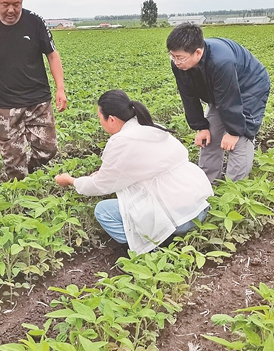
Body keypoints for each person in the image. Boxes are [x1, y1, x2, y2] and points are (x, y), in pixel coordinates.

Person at [55, 90, 213, 254]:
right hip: (198, 209)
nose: (99, 122)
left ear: (112, 119)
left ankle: (150, 247)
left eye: (99, 117)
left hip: (177, 220)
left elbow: (100, 186)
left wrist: (71, 180)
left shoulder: (121, 141)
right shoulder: (151, 127)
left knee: (103, 211)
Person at [0, 0, 68, 180]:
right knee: (13, 163)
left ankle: (30, 173)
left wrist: (60, 88)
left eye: (16, 4)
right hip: (6, 105)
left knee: (48, 149)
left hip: (39, 101)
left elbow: (52, 55)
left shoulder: (35, 22)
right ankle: (20, 195)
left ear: (22, 1)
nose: (11, 10)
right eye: (5, 4)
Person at [166, 23, 270, 183]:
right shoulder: (179, 64)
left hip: (249, 87)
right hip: (220, 91)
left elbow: (229, 101)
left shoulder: (221, 61)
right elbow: (188, 96)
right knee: (210, 136)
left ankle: (235, 190)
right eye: (173, 56)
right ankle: (206, 185)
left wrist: (234, 132)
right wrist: (201, 126)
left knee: (240, 138)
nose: (176, 61)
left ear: (198, 52)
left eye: (180, 57)